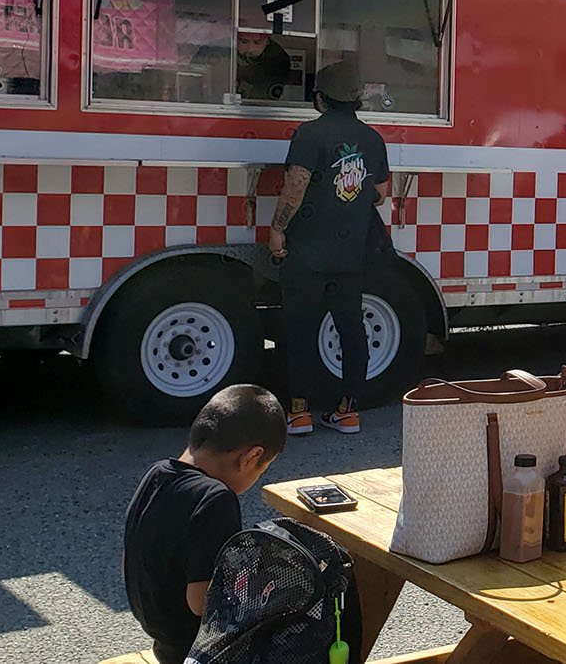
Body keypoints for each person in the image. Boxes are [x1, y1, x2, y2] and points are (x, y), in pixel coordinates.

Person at [123, 384, 286, 664]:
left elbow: (131, 555)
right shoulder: (217, 499)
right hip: (197, 651)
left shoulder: (157, 473)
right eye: (263, 469)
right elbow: (201, 603)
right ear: (252, 457)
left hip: (162, 638)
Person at [269, 60, 390, 436]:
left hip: (306, 251)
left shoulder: (308, 135)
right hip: (351, 252)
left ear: (319, 98)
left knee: (300, 330)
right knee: (352, 329)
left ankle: (300, 413)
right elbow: (382, 195)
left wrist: (277, 229)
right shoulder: (373, 139)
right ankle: (348, 411)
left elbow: (296, 185)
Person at [236, 30, 292, 101]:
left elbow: (259, 102)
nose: (250, 49)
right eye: (244, 42)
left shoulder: (277, 60)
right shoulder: (224, 49)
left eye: (257, 43)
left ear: (267, 41)